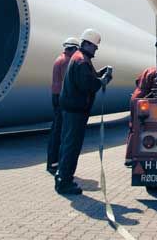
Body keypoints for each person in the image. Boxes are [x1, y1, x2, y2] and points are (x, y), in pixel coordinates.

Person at [55, 28, 113, 195]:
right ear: (86, 44)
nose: (96, 49)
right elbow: (88, 85)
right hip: (76, 111)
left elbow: (89, 76)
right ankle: (64, 182)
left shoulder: (80, 59)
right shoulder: (82, 61)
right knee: (72, 146)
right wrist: (103, 81)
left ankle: (61, 177)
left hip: (71, 109)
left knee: (67, 144)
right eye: (94, 46)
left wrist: (102, 73)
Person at [46, 36, 80, 174]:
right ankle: (54, 163)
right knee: (60, 131)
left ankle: (52, 162)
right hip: (61, 98)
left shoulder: (59, 58)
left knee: (56, 129)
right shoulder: (67, 61)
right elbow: (70, 81)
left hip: (56, 96)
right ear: (73, 49)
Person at [125, 65, 157, 162]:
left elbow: (137, 80)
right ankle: (132, 156)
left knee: (133, 127)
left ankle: (129, 157)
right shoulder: (156, 72)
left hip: (135, 97)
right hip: (142, 99)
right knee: (138, 128)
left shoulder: (149, 69)